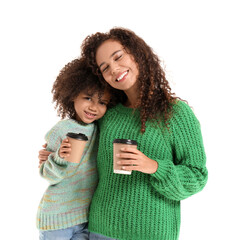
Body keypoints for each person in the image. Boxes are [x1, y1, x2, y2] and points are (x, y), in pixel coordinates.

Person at [39, 27, 208, 240]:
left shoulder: (174, 113)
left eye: (118, 57)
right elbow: (84, 151)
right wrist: (54, 155)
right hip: (100, 229)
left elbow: (197, 175)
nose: (114, 69)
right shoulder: (107, 114)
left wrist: (153, 166)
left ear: (137, 54)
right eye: (105, 67)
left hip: (152, 233)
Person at [37, 57, 112, 240]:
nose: (94, 107)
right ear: (72, 95)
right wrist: (59, 158)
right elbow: (47, 174)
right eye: (88, 98)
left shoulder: (100, 129)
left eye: (102, 102)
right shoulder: (61, 130)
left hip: (86, 219)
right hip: (56, 219)